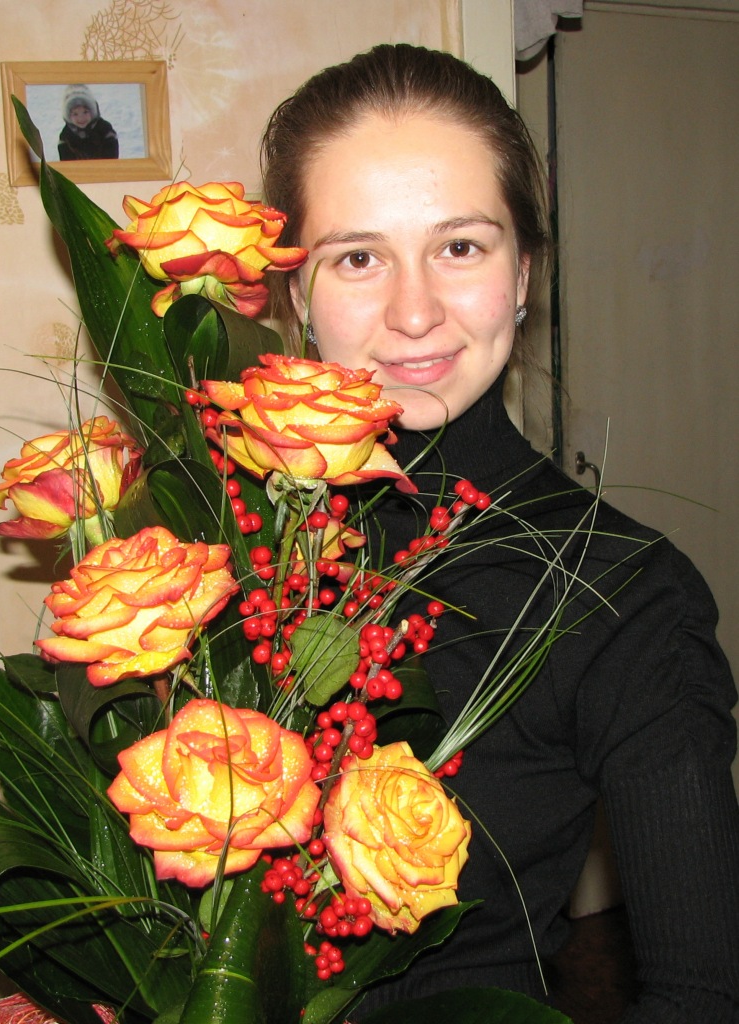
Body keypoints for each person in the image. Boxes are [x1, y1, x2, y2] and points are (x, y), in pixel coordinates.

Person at [260, 44, 739, 1023]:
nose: (414, 311)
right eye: (358, 257)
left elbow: (702, 996)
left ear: (523, 272)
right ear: (298, 293)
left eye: (460, 247)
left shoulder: (622, 595)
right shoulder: (218, 538)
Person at [57, 84, 119, 161]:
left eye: (85, 112)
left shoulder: (104, 129)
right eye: (75, 114)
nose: (81, 118)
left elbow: (112, 156)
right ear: (68, 116)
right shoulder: (65, 136)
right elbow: (66, 162)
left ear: (93, 111)